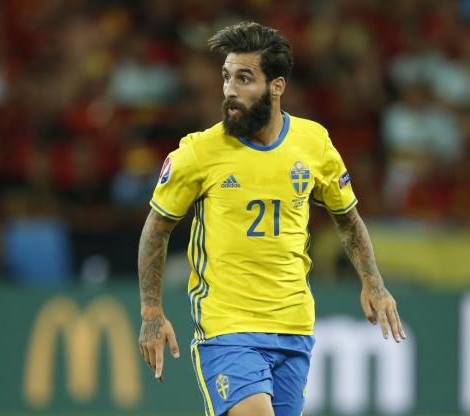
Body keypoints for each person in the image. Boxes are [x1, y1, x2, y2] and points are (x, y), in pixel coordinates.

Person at [137, 22, 406, 416]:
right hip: (227, 328)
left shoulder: (313, 144)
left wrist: (374, 283)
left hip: (293, 328)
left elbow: (348, 219)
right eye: (227, 77)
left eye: (244, 78)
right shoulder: (198, 153)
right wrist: (151, 311)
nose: (230, 90)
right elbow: (156, 229)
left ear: (277, 86)